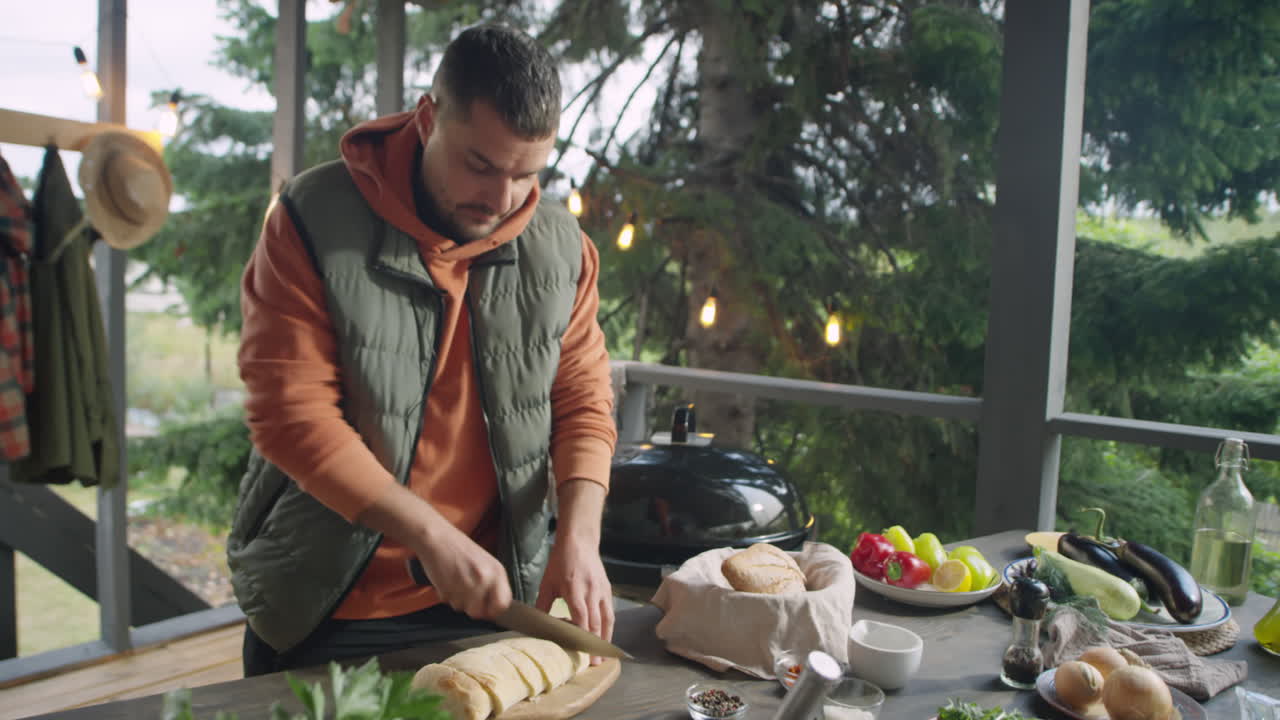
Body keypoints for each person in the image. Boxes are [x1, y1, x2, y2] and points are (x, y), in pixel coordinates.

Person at [229, 24, 617, 677]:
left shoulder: (562, 249)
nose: (502, 200)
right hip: (325, 605)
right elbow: (292, 418)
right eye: (481, 165)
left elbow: (583, 402)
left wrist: (578, 538)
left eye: (528, 174)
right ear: (429, 116)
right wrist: (430, 534)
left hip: (493, 602)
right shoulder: (311, 218)